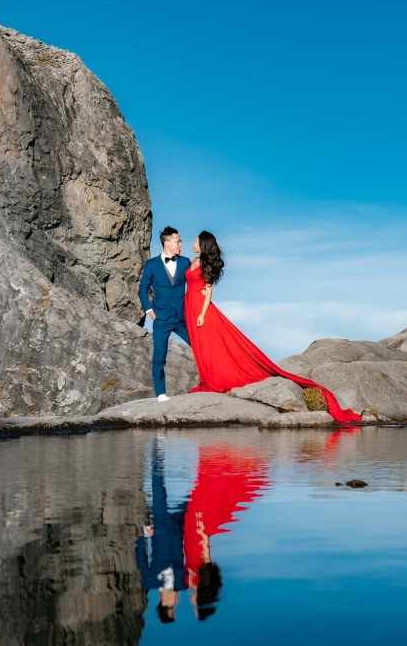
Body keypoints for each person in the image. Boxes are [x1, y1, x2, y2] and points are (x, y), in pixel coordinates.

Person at [184, 230, 362, 423]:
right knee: (200, 345)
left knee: (210, 345)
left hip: (202, 310)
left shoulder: (208, 265)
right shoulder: (192, 261)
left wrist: (202, 314)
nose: (192, 243)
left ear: (203, 244)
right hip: (190, 306)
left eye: (195, 240)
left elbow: (209, 292)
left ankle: (211, 380)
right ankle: (205, 379)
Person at [182, 444, 270, 620]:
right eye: (195, 608)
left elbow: (207, 557)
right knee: (201, 495)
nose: (191, 605)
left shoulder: (194, 580)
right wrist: (201, 528)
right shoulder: (193, 580)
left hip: (194, 538)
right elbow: (205, 554)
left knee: (201, 493)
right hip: (195, 537)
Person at [135, 437, 188, 623]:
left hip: (158, 526)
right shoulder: (182, 584)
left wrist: (145, 534)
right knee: (197, 499)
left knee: (158, 485)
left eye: (172, 606)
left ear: (164, 603)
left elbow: (140, 556)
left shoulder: (149, 580)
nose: (177, 602)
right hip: (179, 527)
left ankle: (158, 446)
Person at [138, 226, 191, 402]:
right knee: (159, 356)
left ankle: (212, 382)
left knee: (200, 347)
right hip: (161, 317)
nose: (181, 244)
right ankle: (161, 393)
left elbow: (194, 284)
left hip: (183, 317)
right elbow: (142, 290)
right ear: (167, 243)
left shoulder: (185, 262)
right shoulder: (151, 264)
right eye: (178, 241)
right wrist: (150, 312)